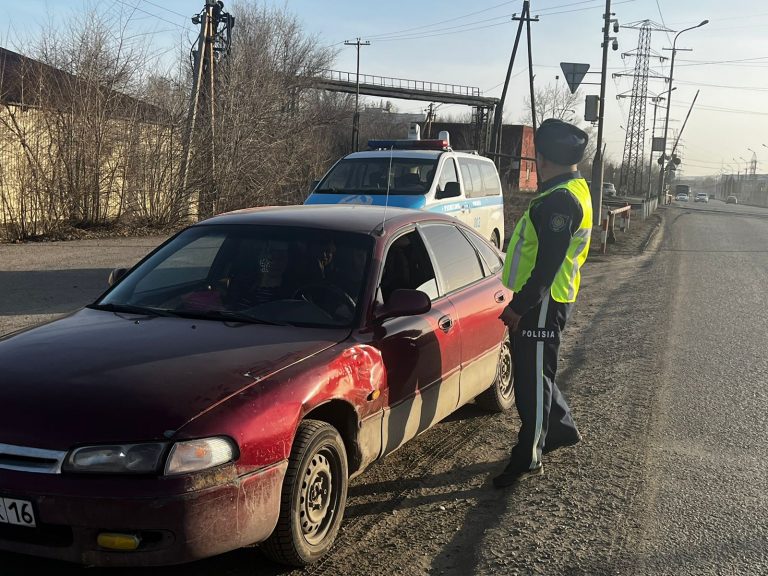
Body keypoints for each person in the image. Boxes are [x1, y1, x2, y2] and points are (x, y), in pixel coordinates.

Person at [493, 118, 592, 489]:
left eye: (536, 157)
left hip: (543, 301)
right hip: (548, 298)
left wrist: (520, 306)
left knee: (531, 381)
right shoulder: (571, 187)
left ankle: (528, 456)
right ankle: (561, 429)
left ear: (543, 159)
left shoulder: (559, 201)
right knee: (540, 372)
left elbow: (546, 267)